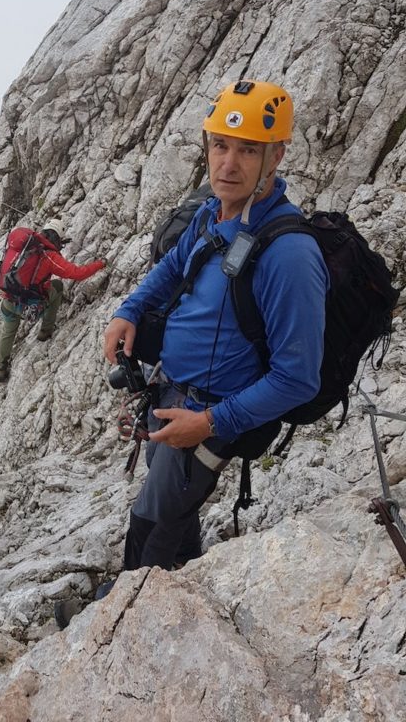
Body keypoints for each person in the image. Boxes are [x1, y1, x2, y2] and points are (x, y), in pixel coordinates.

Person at [102, 79, 329, 575]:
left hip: (211, 414)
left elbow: (298, 377)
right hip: (173, 395)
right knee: (173, 510)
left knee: (152, 521)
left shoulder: (289, 255)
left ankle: (122, 611)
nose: (228, 164)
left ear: (276, 157)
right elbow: (173, 267)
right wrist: (130, 309)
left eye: (249, 150)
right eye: (220, 145)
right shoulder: (213, 212)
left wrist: (207, 424)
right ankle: (187, 575)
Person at [0, 218, 106, 382]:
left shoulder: (25, 247)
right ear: (58, 238)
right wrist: (100, 263)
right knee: (58, 286)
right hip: (29, 306)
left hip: (8, 299)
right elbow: (77, 273)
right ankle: (45, 331)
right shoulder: (49, 256)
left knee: (8, 331)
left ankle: (0, 369)